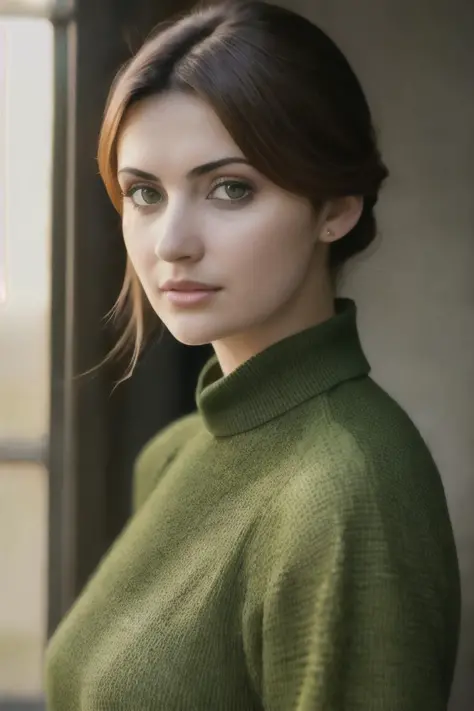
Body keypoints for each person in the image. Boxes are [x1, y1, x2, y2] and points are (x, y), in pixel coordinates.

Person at [44, 1, 461, 708]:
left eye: (230, 188)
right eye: (144, 193)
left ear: (337, 205)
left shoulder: (345, 493)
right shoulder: (177, 454)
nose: (172, 240)